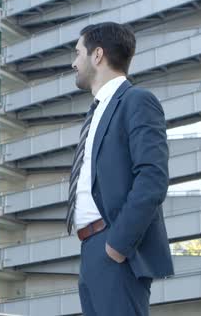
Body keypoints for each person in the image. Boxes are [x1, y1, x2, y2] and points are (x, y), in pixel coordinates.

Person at [65, 22, 174, 315]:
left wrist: (117, 245)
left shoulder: (137, 101)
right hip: (91, 248)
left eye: (77, 53)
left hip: (115, 248)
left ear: (97, 55)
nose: (74, 62)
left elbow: (152, 178)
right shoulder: (96, 110)